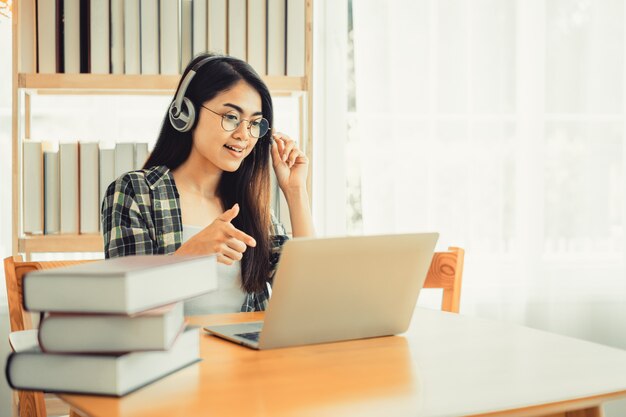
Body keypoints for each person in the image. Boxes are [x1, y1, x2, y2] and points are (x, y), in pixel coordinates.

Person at [101, 53, 314, 313]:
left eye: (254, 123)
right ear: (186, 113)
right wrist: (190, 255)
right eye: (231, 117)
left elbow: (307, 294)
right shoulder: (136, 192)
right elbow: (127, 304)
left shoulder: (252, 208)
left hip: (247, 353)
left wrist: (295, 191)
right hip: (173, 351)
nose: (243, 135)